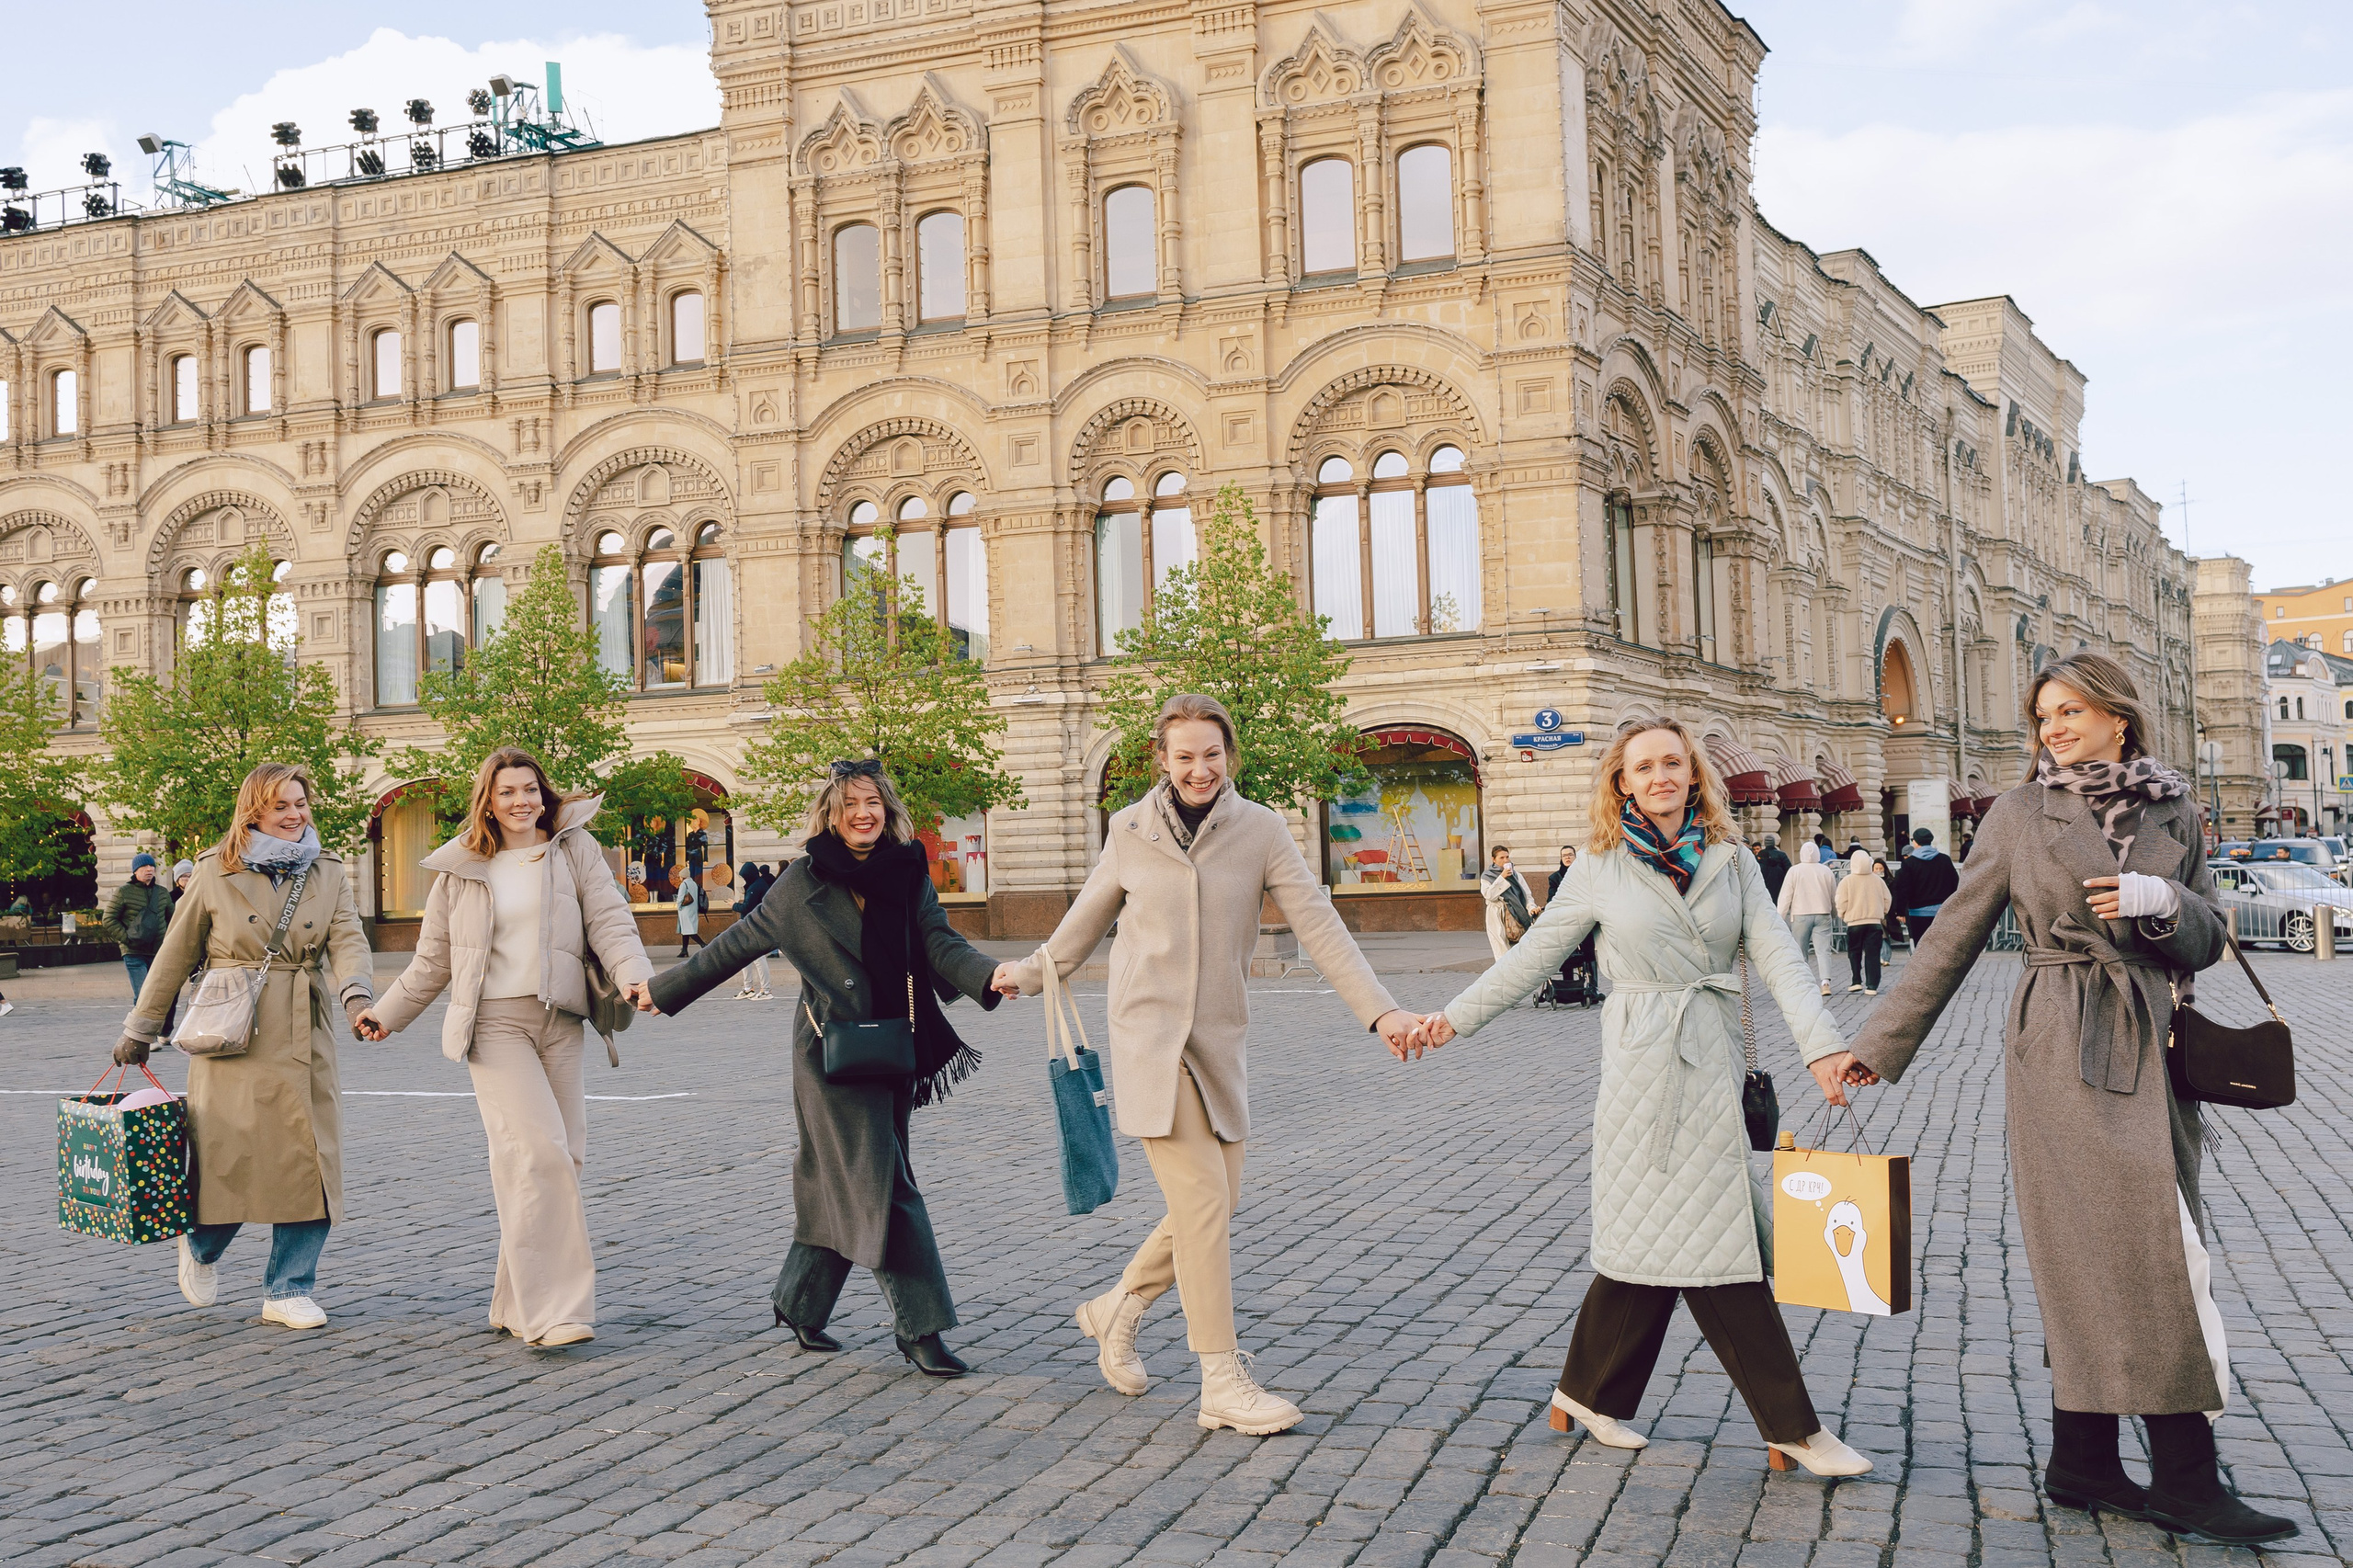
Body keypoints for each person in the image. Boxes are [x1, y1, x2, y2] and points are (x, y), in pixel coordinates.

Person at [1833, 652, 2294, 1547]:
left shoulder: (2171, 809)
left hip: (2151, 1044)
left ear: (2119, 718)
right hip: (2059, 1046)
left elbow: (2204, 940)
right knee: (2143, 1248)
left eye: (2071, 711)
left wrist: (2163, 897)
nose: (2052, 728)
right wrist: (1874, 1046)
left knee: (2130, 1247)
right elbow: (1950, 939)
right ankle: (2185, 1476)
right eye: (2043, 714)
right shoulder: (2018, 812)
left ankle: (2081, 1458)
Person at [1411, 718, 1871, 1476]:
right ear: (1621, 782)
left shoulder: (1732, 861)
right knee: (1712, 1241)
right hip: (1642, 1070)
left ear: (1694, 773)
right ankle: (1794, 1427)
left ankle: (1586, 1392)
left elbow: (1782, 958)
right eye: (1643, 767)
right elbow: (1531, 961)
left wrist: (1821, 1045)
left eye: (1672, 762)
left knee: (1658, 1236)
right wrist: (1448, 1022)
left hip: (1711, 1060)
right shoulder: (1598, 866)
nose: (1660, 776)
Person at [995, 694, 1424, 1435]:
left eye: (1212, 754)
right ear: (1162, 760)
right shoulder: (1127, 829)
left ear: (1231, 758)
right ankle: (1221, 1379)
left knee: (1213, 1206)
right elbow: (1083, 924)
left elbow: (1318, 922)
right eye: (1184, 755)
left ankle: (1114, 1310)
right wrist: (1026, 973)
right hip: (1147, 1038)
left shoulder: (1260, 830)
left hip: (1220, 1041)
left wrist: (1380, 1011)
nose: (1200, 768)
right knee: (1201, 1207)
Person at [642, 759, 1004, 1378]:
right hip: (831, 1056)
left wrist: (988, 975)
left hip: (894, 1046)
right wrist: (663, 989)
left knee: (849, 1181)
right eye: (850, 805)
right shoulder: (800, 885)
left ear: (887, 810)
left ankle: (799, 1303)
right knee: (884, 1187)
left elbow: (939, 942)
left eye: (873, 804)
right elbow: (736, 945)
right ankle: (921, 1327)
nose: (863, 814)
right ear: (830, 814)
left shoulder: (908, 870)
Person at [354, 747, 654, 1348]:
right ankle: (555, 1313)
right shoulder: (460, 868)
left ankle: (514, 1300)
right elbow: (433, 961)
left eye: (530, 789)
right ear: (488, 802)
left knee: (557, 1160)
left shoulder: (575, 850)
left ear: (544, 794)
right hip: (494, 1027)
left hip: (562, 1022)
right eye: (508, 792)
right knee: (538, 1154)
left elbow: (611, 921)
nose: (522, 801)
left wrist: (636, 974)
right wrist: (384, 1015)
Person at [111, 763, 375, 1330]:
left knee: (313, 1156)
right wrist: (139, 1029)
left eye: (301, 803)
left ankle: (288, 1288)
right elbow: (175, 953)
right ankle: (201, 1246)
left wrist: (357, 997)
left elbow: (348, 939)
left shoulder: (328, 870)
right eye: (282, 805)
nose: (296, 814)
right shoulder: (214, 871)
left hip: (305, 1027)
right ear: (254, 810)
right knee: (230, 1157)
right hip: (232, 1028)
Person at [107, 852, 174, 1003]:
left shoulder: (162, 893)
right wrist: (127, 940)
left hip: (158, 952)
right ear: (135, 871)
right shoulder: (123, 892)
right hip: (134, 952)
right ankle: (139, 1026)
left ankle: (158, 1026)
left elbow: (174, 920)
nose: (149, 869)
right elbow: (109, 919)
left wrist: (167, 941)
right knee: (143, 995)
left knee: (158, 996)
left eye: (151, 866)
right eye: (144, 866)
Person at [1775, 841, 1839, 994]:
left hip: (1800, 914)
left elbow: (1786, 896)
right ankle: (1825, 983)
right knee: (1823, 950)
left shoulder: (1794, 871)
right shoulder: (1825, 871)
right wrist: (1835, 913)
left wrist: (1779, 917)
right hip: (1822, 913)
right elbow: (1833, 895)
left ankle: (1804, 982)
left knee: (1800, 951)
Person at [1547, 846, 1597, 1006]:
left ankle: (1593, 988)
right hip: (1566, 921)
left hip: (1585, 919)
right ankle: (1568, 987)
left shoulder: (1586, 876)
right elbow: (1552, 899)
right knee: (1568, 953)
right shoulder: (1555, 878)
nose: (1567, 858)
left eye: (1570, 855)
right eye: (1564, 855)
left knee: (1588, 952)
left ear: (1576, 857)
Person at [1835, 847, 1890, 994]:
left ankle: (1856, 980)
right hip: (1874, 922)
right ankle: (1872, 985)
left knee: (1854, 952)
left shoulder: (1847, 881)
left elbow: (1841, 901)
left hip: (1854, 922)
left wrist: (1843, 914)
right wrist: (1882, 913)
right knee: (1873, 954)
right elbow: (1887, 899)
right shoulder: (1877, 880)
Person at [1893, 826, 1959, 947]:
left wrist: (1900, 911)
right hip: (1941, 912)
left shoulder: (1909, 863)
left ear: (1916, 842)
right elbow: (1955, 884)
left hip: (1918, 913)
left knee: (1922, 948)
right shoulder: (1945, 860)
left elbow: (1903, 888)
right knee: (1940, 947)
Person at [1480, 844, 1535, 963]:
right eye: (1501, 858)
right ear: (1493, 860)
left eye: (1507, 857)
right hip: (1498, 916)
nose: (1505, 860)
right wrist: (1502, 878)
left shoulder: (1516, 875)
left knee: (1522, 952)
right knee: (1503, 954)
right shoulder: (1486, 876)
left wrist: (1531, 908)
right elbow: (1489, 896)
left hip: (1518, 915)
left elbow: (1527, 895)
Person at [733, 862, 776, 999]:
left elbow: (748, 907)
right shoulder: (758, 884)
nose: (744, 879)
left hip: (754, 925)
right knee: (744, 957)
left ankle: (765, 990)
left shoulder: (755, 887)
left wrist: (733, 905)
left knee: (758, 958)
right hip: (751, 925)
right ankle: (748, 988)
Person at [675, 869, 705, 956]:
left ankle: (704, 945)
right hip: (693, 909)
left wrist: (679, 907)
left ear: (683, 876)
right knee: (686, 930)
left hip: (685, 910)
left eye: (680, 876)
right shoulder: (694, 884)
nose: (680, 878)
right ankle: (684, 950)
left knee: (689, 930)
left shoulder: (684, 884)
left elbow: (680, 898)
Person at [1756, 833, 1791, 903]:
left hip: (1764, 885)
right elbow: (1789, 869)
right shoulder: (1781, 854)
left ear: (1765, 844)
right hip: (1780, 884)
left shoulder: (1760, 855)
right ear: (1774, 843)